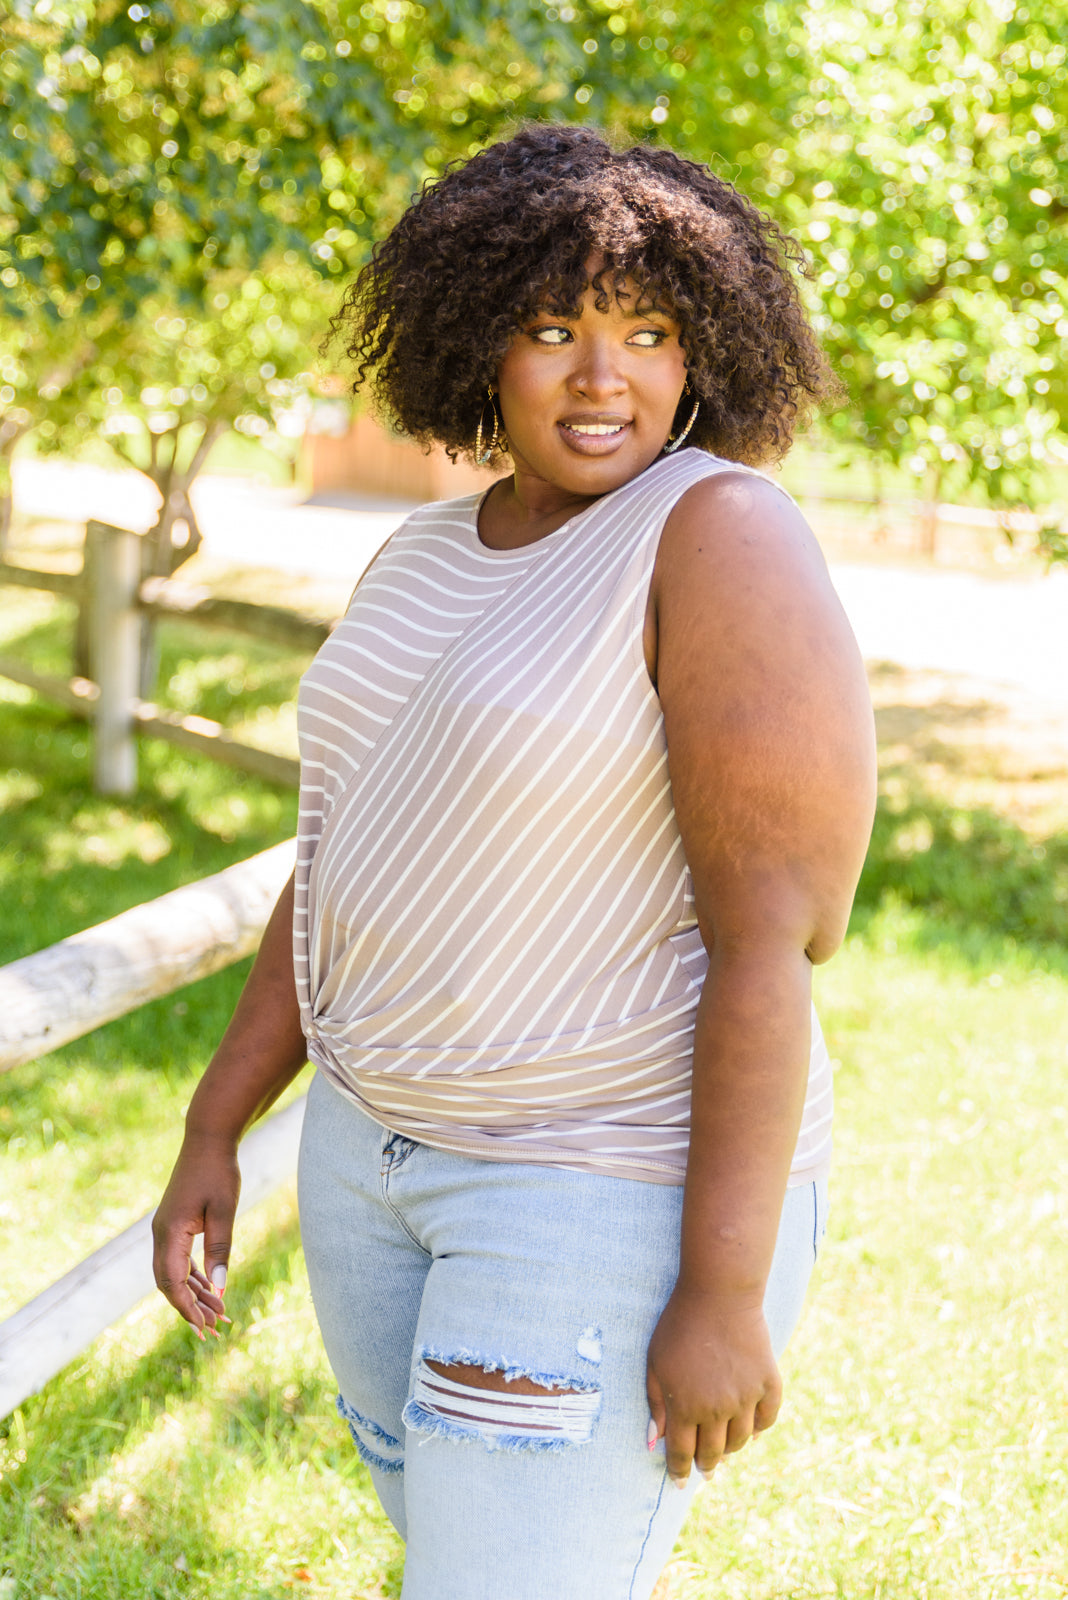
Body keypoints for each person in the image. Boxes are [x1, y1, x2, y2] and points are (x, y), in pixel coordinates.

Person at [153, 123, 876, 1599]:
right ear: (480, 338)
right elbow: (341, 854)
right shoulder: (425, 549)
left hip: (588, 1185)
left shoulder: (715, 532)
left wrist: (724, 1288)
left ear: (703, 349)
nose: (603, 377)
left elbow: (771, 940)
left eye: (648, 332)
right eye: (553, 329)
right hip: (368, 1162)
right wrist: (216, 1122)